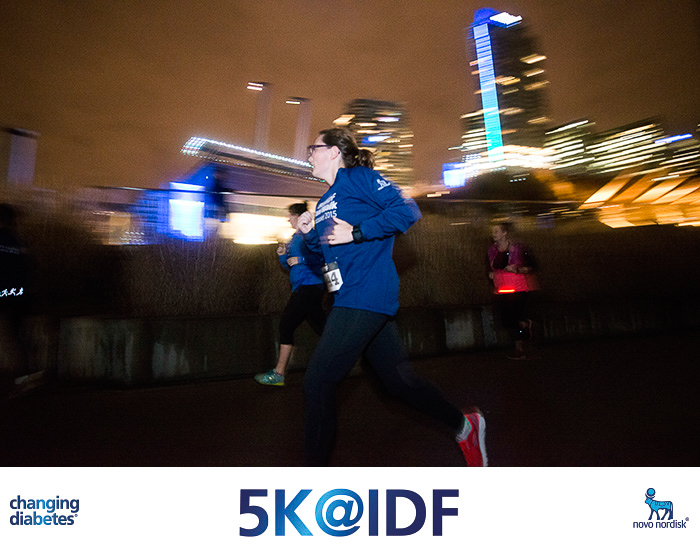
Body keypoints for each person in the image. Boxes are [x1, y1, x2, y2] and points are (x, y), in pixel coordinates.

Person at [297, 127, 486, 466]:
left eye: (314, 148)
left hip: (365, 294)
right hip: (350, 297)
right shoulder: (325, 201)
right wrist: (310, 235)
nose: (309, 154)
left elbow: (407, 210)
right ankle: (464, 426)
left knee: (317, 382)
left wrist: (358, 231)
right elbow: (325, 255)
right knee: (398, 383)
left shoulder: (359, 178)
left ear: (335, 152)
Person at [254, 202, 327, 386]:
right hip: (302, 286)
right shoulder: (294, 238)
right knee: (324, 329)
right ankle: (349, 360)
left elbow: (321, 256)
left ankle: (279, 373)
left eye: (290, 216)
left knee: (286, 324)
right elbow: (290, 266)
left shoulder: (309, 234)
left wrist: (299, 259)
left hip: (309, 285)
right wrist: (282, 256)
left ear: (298, 216)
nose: (288, 219)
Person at [487, 221, 539, 360]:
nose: (493, 234)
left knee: (513, 318)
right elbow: (490, 268)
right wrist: (490, 274)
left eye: (496, 231)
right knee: (506, 321)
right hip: (501, 289)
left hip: (518, 289)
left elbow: (533, 266)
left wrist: (518, 269)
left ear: (504, 233)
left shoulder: (518, 249)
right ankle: (526, 324)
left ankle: (519, 349)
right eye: (493, 231)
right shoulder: (491, 251)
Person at [0, 203, 30, 399]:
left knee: (11, 339)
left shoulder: (5, 239)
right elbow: (24, 269)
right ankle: (20, 381)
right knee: (15, 338)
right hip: (17, 296)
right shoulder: (17, 240)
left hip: (6, 295)